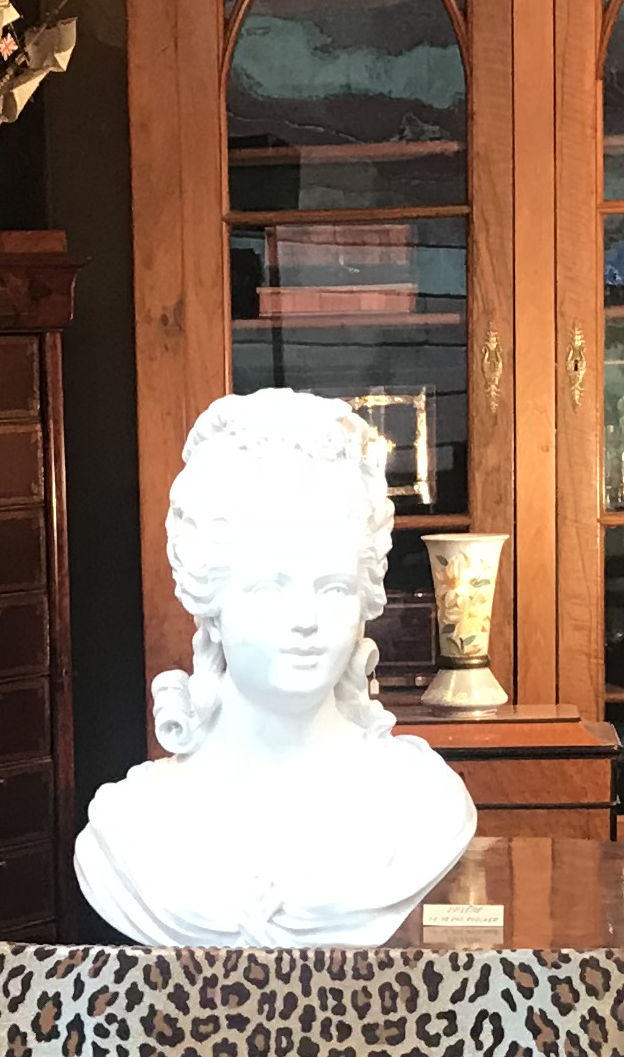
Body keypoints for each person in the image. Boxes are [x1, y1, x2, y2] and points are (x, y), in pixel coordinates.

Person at [75, 388, 475, 946]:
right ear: (211, 606)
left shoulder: (420, 806)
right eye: (269, 588)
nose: (306, 620)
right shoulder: (137, 829)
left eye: (333, 589)